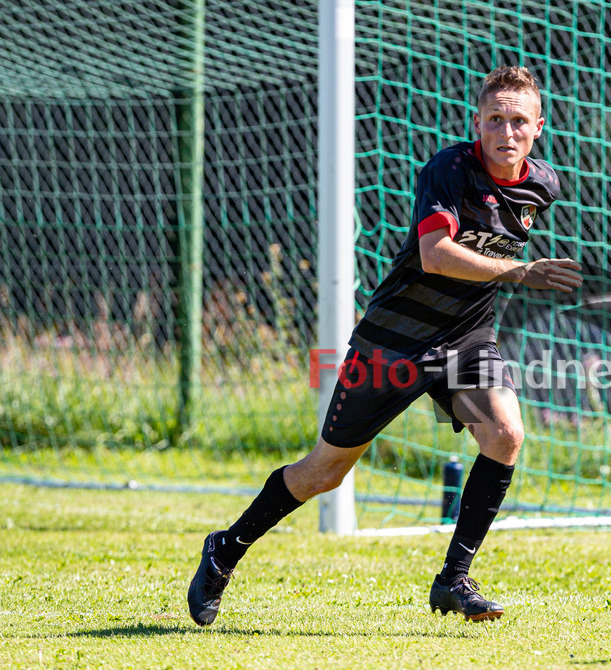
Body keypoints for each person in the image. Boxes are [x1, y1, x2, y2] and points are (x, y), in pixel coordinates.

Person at [187, 65, 584, 625]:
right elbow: (435, 254)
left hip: (465, 339)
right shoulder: (448, 169)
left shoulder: (542, 185)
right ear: (478, 122)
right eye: (495, 118)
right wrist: (520, 270)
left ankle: (453, 581)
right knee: (324, 474)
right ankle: (224, 551)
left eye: (519, 120)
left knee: (505, 433)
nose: (506, 131)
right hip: (394, 341)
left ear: (537, 127)